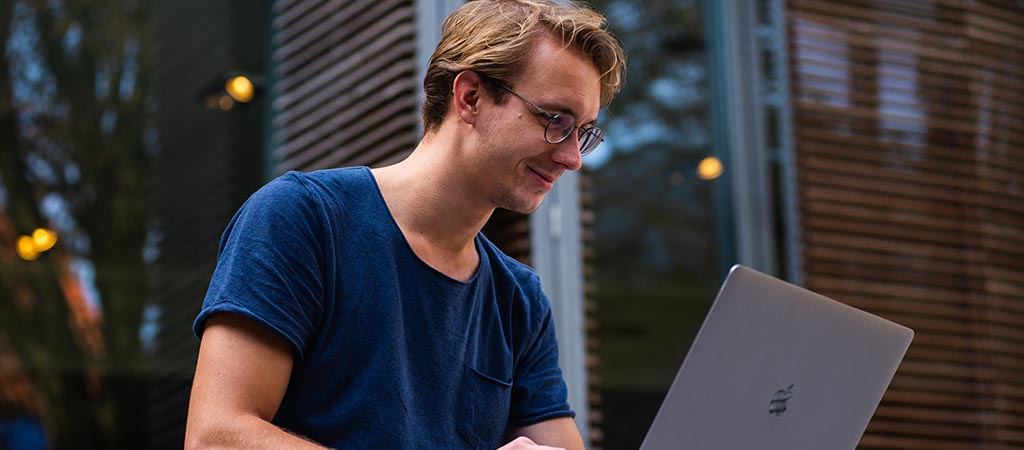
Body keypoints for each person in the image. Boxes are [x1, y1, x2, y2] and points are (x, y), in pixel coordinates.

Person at [184, 0, 625, 448]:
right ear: (469, 97)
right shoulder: (304, 217)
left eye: (583, 133)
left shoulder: (519, 301)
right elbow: (216, 437)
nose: (571, 158)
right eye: (555, 120)